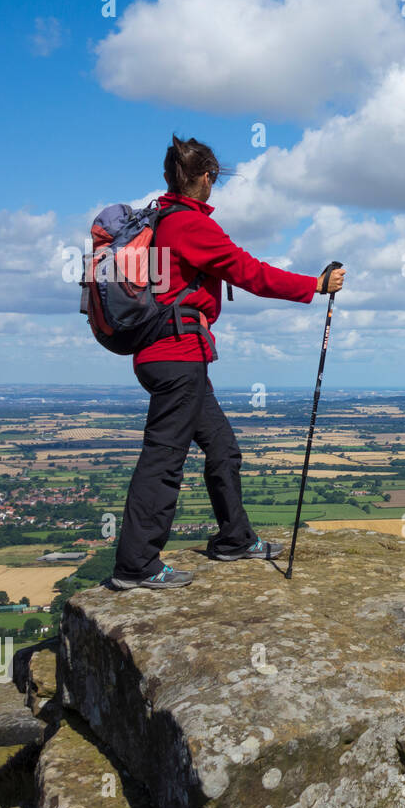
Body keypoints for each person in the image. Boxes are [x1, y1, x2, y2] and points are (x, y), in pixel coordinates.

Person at [110, 135, 345, 590]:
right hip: (178, 355)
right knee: (163, 459)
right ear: (206, 178)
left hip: (166, 354)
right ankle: (136, 565)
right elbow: (247, 271)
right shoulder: (189, 226)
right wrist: (313, 286)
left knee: (221, 446)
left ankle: (235, 537)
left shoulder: (159, 221)